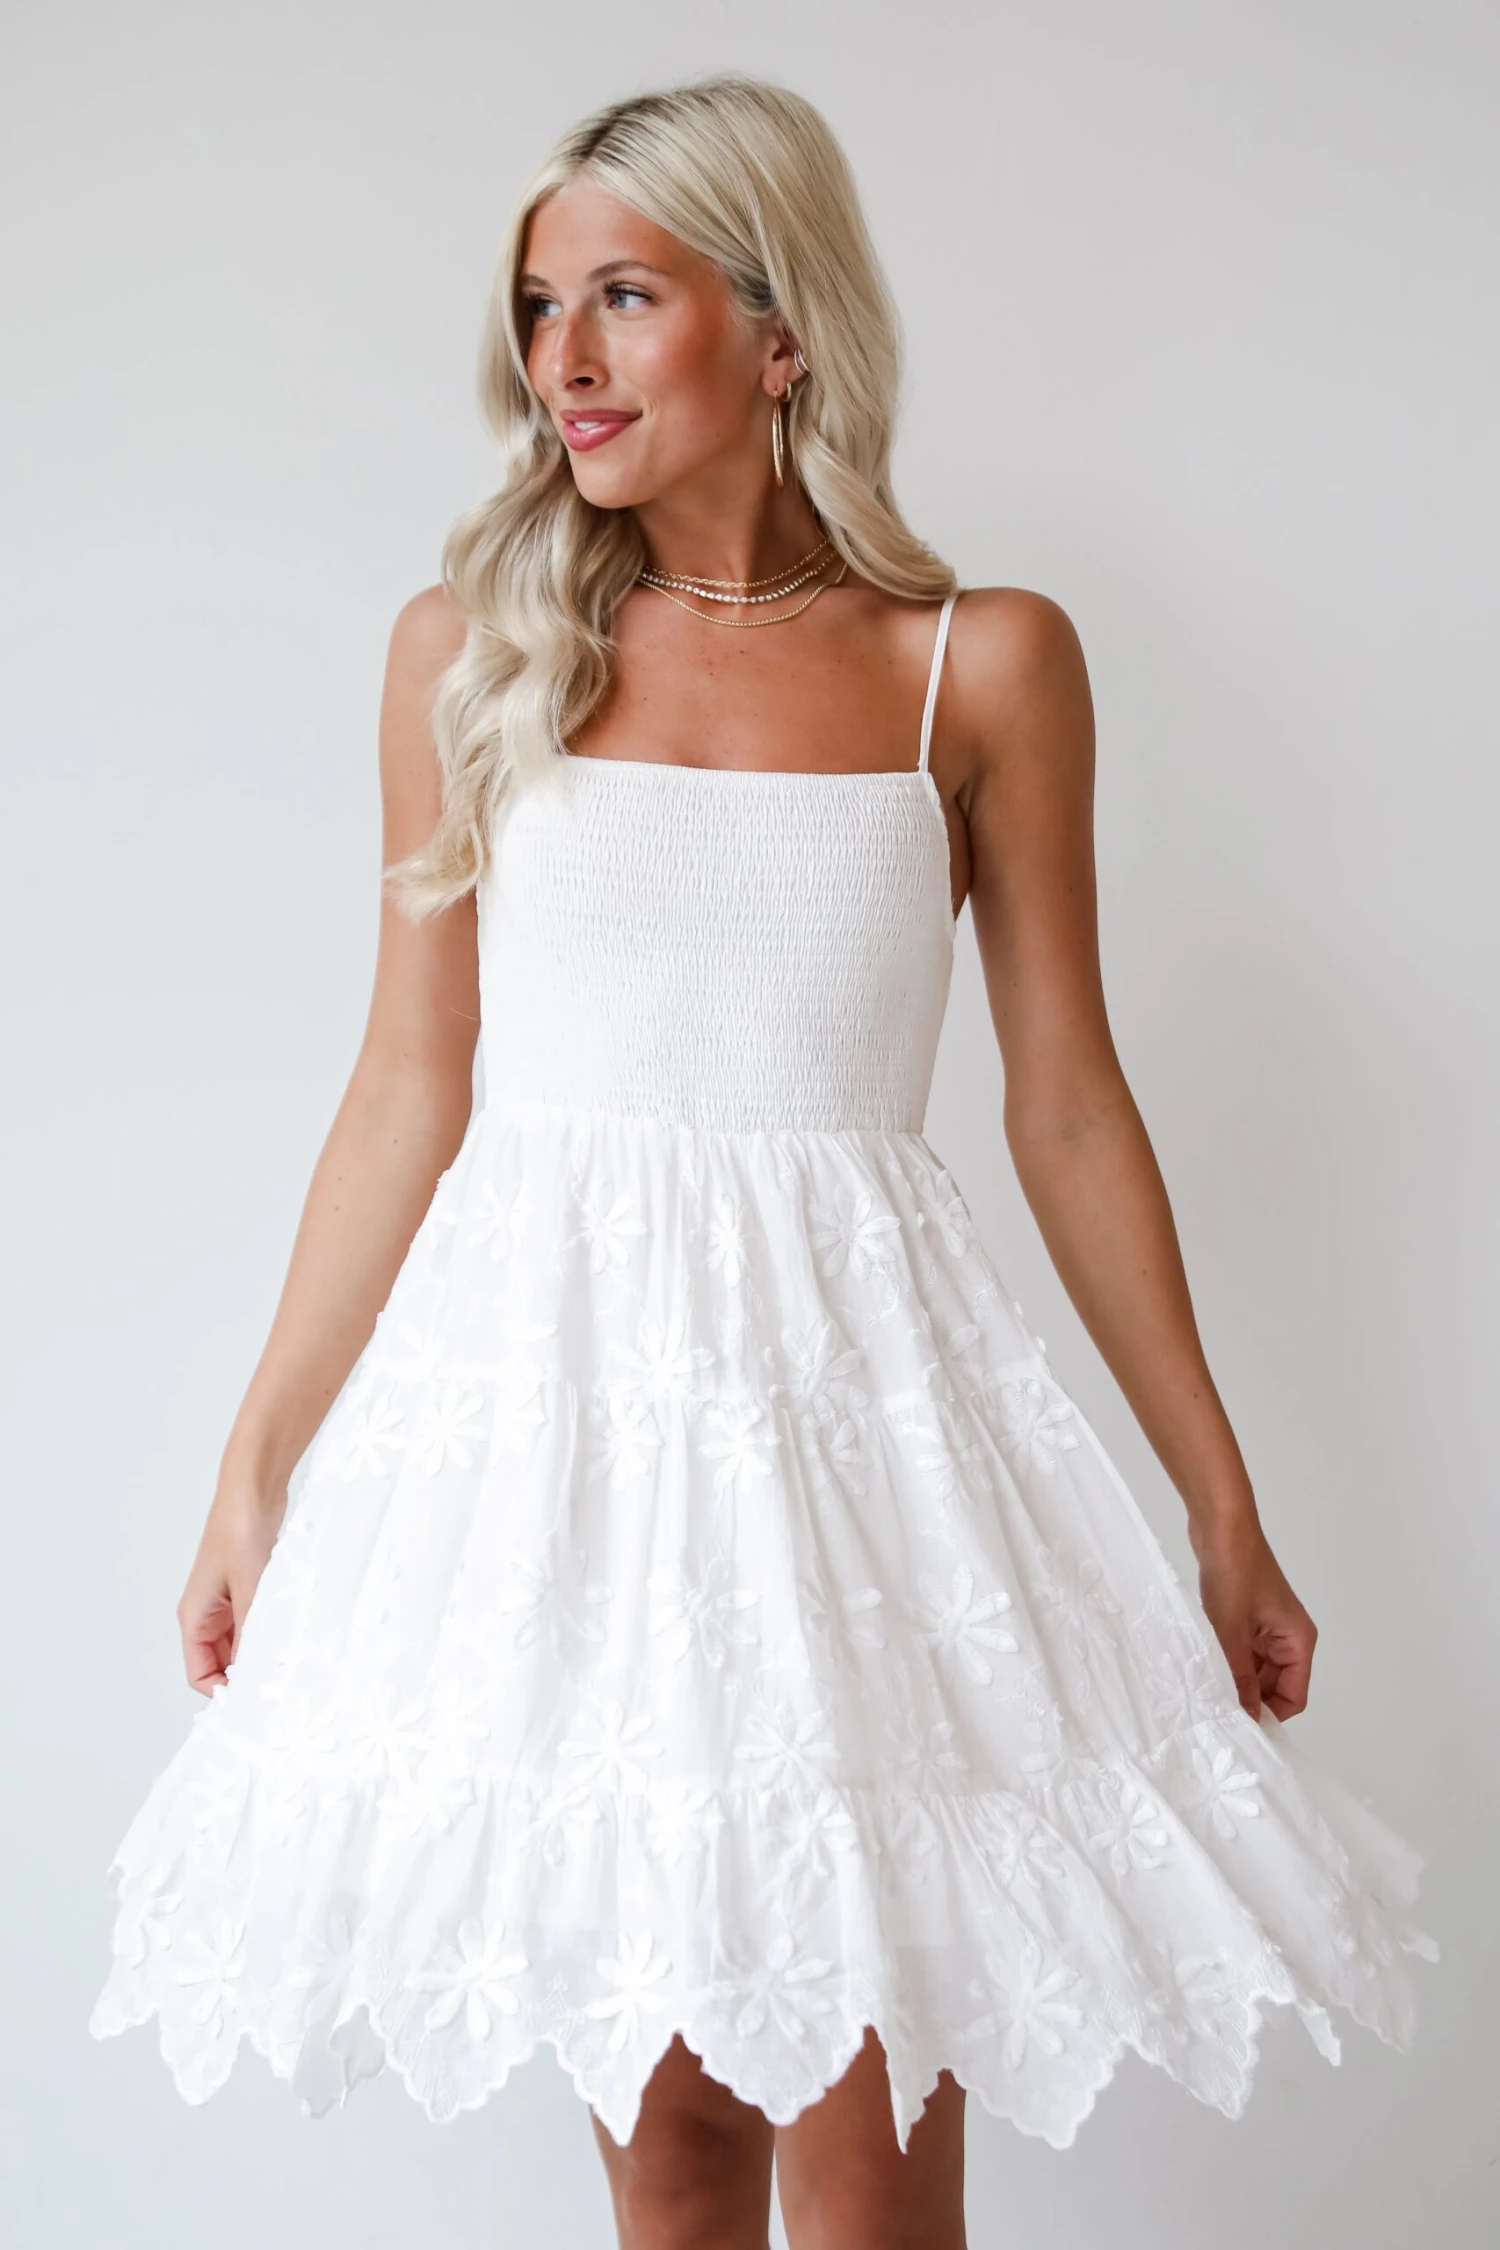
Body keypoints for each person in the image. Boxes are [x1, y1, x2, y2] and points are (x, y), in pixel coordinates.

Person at [89, 71, 1435, 2250]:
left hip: (856, 1458)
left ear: (783, 327)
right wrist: (260, 1462)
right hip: (574, 1462)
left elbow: (1068, 1103)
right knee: (678, 2170)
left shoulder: (977, 666)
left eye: (626, 296)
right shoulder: (473, 657)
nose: (567, 358)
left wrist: (1218, 1495)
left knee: (879, 2177)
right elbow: (409, 1084)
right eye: (542, 307)